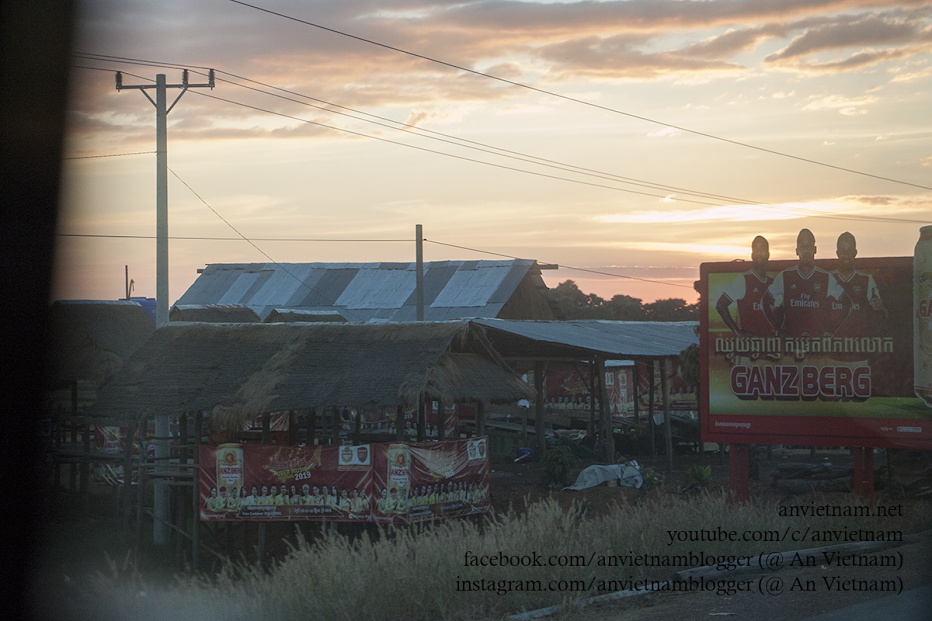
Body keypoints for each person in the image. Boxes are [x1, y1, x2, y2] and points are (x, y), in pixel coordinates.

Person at [763, 229, 830, 338]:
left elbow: (846, 304)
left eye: (809, 245)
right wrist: (776, 328)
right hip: (791, 345)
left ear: (815, 249)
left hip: (817, 346)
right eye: (802, 246)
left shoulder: (826, 277)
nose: (806, 249)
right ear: (797, 251)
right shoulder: (785, 276)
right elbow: (765, 301)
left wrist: (831, 330)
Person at [827, 232, 885, 338]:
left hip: (858, 346)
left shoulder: (866, 280)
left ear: (855, 252)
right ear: (837, 253)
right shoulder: (828, 278)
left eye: (849, 250)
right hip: (833, 346)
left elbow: (881, 313)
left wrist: (879, 307)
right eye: (842, 250)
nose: (846, 254)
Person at [716, 236, 776, 337]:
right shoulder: (743, 280)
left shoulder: (774, 282)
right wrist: (736, 331)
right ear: (752, 255)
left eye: (762, 249)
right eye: (756, 249)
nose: (759, 252)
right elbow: (721, 305)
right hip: (750, 347)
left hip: (773, 346)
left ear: (768, 254)